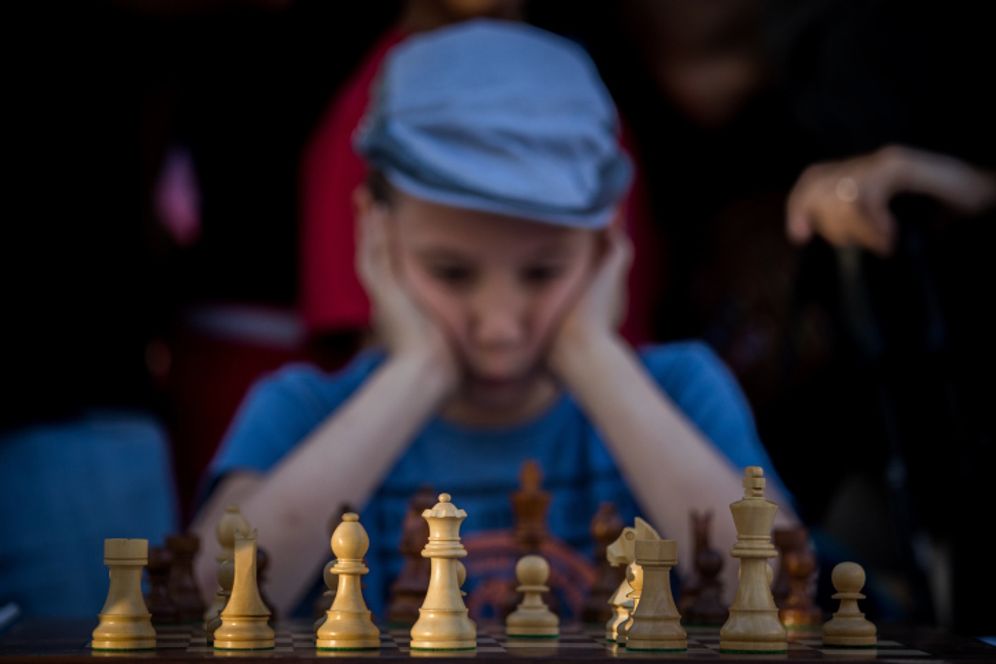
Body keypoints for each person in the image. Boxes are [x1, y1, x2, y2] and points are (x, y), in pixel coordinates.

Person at [192, 20, 797, 618]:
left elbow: (782, 589)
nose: (500, 331)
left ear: (609, 242)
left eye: (542, 274)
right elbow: (204, 602)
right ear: (375, 234)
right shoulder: (303, 413)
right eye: (451, 273)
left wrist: (594, 356)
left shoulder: (680, 391)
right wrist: (417, 372)